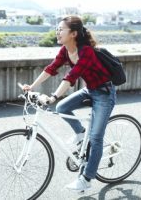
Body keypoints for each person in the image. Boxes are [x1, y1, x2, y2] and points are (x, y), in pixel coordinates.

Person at [22, 15, 116, 193]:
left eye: (61, 29)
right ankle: (81, 134)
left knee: (96, 139)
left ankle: (87, 178)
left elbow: (71, 77)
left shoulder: (86, 51)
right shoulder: (65, 50)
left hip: (104, 93)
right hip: (90, 89)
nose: (57, 32)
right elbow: (51, 68)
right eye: (57, 28)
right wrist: (31, 87)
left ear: (73, 33)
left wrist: (53, 96)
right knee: (62, 108)